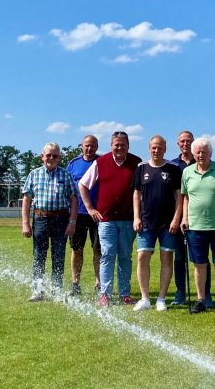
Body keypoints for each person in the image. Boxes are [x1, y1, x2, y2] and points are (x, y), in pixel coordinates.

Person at [79, 131, 142, 307]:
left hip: (129, 219)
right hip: (106, 220)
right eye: (116, 144)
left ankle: (125, 294)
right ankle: (104, 294)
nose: (120, 147)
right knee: (107, 256)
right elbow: (83, 184)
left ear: (128, 145)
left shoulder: (137, 163)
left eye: (123, 144)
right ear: (111, 146)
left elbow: (142, 191)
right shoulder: (100, 162)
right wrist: (90, 208)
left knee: (125, 256)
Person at [181, 138, 215, 316]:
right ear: (193, 153)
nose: (200, 155)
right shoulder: (188, 172)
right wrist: (184, 218)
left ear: (210, 153)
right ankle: (201, 299)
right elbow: (185, 198)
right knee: (199, 264)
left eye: (204, 152)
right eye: (197, 152)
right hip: (195, 226)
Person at [20, 142, 78, 301]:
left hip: (61, 219)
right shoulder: (34, 174)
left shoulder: (65, 175)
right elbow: (27, 200)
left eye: (55, 155)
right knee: (39, 255)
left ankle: (56, 291)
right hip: (40, 219)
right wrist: (25, 223)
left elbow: (74, 199)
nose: (51, 158)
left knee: (58, 256)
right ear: (42, 157)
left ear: (59, 158)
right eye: (48, 155)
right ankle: (38, 291)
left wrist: (72, 222)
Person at [132, 135, 183, 312]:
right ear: (149, 148)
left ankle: (161, 298)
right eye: (154, 147)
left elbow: (179, 197)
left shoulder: (173, 169)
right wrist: (136, 217)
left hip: (168, 224)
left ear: (165, 149)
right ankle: (145, 298)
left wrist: (176, 219)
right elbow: (136, 195)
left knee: (166, 258)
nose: (156, 150)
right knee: (142, 257)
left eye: (160, 147)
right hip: (146, 222)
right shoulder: (141, 168)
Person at [168, 131, 213, 307]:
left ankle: (206, 295)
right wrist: (177, 218)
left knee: (202, 259)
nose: (185, 144)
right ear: (178, 144)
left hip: (200, 220)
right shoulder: (172, 165)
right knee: (179, 258)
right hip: (178, 218)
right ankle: (180, 292)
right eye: (182, 141)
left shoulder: (201, 161)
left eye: (189, 141)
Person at [66, 135, 101, 296]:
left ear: (97, 146)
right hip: (78, 213)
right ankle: (75, 283)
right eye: (87, 145)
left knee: (98, 251)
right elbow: (67, 188)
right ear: (82, 146)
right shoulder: (73, 164)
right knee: (77, 249)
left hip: (97, 214)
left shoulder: (102, 163)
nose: (89, 148)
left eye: (93, 146)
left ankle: (99, 283)